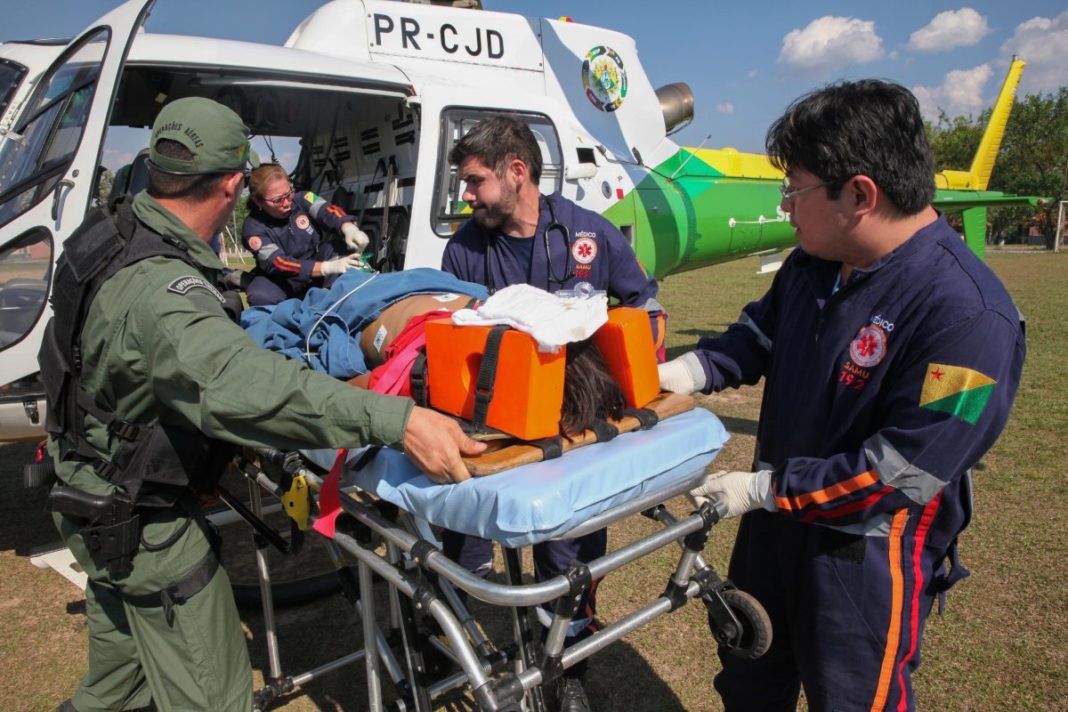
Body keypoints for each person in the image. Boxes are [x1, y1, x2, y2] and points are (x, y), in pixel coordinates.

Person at [40, 97, 484, 712]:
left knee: (117, 688)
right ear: (230, 185)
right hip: (142, 526)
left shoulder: (111, 235)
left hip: (91, 495)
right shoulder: (166, 299)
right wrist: (399, 420)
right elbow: (253, 387)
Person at [657, 80, 1025, 711]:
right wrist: (683, 372)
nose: (786, 207)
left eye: (794, 190)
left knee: (852, 700)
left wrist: (760, 489)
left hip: (866, 557)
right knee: (749, 676)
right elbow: (756, 337)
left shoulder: (970, 318)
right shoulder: (814, 263)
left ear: (860, 194)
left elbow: (904, 472)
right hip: (775, 534)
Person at [440, 114, 665, 712]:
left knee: (572, 556)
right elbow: (450, 331)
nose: (467, 195)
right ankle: (444, 638)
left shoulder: (587, 234)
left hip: (577, 428)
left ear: (518, 172)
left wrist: (640, 366)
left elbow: (642, 302)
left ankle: (566, 663)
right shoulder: (464, 248)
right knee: (462, 540)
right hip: (493, 428)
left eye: (474, 181)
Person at [241, 162, 370, 306]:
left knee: (340, 249)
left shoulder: (303, 198)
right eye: (277, 200)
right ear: (258, 201)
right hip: (281, 278)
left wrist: (348, 227)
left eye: (288, 194)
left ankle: (337, 307)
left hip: (316, 259)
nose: (286, 203)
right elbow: (278, 263)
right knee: (260, 295)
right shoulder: (253, 229)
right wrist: (327, 268)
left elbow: (326, 211)